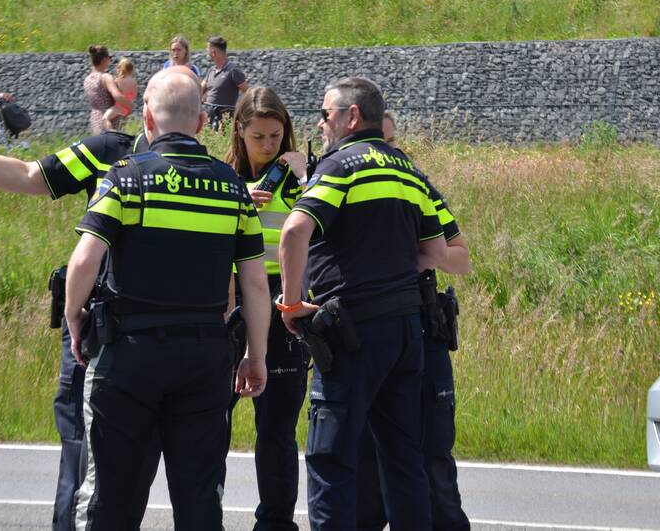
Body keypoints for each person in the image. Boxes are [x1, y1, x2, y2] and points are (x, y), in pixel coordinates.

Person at [0, 113, 163, 531]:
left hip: (157, 347)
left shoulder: (201, 172)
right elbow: (30, 174)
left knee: (139, 469)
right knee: (83, 462)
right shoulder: (108, 150)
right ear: (149, 115)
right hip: (97, 333)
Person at [66, 67, 272, 531]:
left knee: (110, 499)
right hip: (203, 357)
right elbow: (256, 284)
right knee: (199, 499)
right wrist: (254, 354)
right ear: (202, 123)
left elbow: (84, 260)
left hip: (128, 356)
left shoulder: (125, 178)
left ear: (146, 119)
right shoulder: (232, 189)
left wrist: (74, 316)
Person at [278, 76, 447, 530]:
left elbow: (294, 231)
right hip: (406, 330)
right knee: (402, 459)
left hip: (350, 332)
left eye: (325, 114)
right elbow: (435, 253)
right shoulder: (407, 170)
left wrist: (291, 305)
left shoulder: (339, 166)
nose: (320, 123)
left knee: (332, 459)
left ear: (351, 116)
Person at [356, 110, 474, 531]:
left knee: (432, 455)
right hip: (369, 334)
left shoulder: (415, 185)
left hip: (423, 331)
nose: (382, 153)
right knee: (364, 462)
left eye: (389, 143)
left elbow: (460, 256)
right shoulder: (341, 182)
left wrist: (416, 256)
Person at [225, 87, 310, 531]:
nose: (267, 145)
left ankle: (275, 524)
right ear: (239, 132)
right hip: (229, 302)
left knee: (277, 429)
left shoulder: (301, 177)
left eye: (275, 136)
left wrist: (306, 177)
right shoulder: (221, 178)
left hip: (282, 302)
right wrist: (237, 198)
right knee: (211, 422)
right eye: (257, 136)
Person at [84, 45, 134, 135]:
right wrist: (130, 105)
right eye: (109, 58)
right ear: (104, 59)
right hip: (111, 121)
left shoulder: (87, 79)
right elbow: (117, 96)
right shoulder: (106, 77)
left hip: (96, 120)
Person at [202, 35, 249, 128]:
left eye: (207, 49)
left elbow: (248, 92)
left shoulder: (233, 71)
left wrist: (241, 110)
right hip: (208, 119)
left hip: (224, 121)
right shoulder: (211, 71)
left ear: (213, 52)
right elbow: (200, 89)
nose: (206, 52)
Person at [101, 58, 138, 131]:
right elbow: (134, 95)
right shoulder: (133, 82)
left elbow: (114, 93)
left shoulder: (117, 81)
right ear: (131, 69)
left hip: (119, 106)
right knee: (122, 127)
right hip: (128, 107)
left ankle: (112, 133)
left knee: (105, 119)